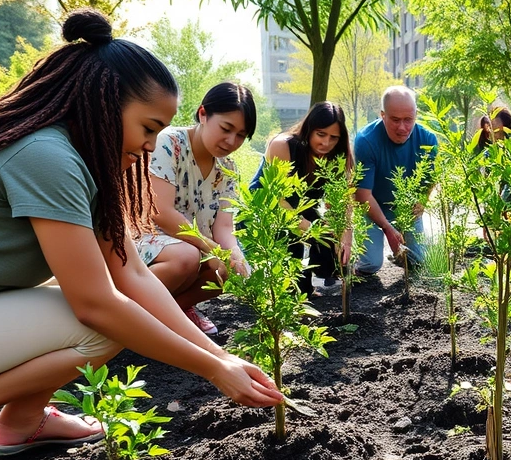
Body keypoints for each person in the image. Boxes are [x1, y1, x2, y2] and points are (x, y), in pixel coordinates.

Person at [0, 9, 282, 460]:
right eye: (147, 127)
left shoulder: (85, 161)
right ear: (101, 104)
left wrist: (220, 357)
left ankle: (23, 422)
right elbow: (97, 302)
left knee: (116, 315)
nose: (150, 145)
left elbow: (134, 277)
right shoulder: (46, 156)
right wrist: (211, 370)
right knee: (97, 323)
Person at [134, 82, 256, 334]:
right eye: (226, 128)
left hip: (195, 245)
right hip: (146, 239)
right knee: (187, 257)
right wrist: (208, 247)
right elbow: (160, 211)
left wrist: (236, 258)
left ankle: (171, 315)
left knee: (227, 268)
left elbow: (223, 227)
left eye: (241, 135)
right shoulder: (169, 144)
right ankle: (127, 313)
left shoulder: (227, 168)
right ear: (203, 114)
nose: (231, 140)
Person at [252, 102, 353, 297]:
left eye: (334, 138)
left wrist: (344, 235)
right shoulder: (284, 146)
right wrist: (312, 228)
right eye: (321, 134)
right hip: (270, 206)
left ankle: (314, 283)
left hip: (303, 206)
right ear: (309, 130)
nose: (326, 143)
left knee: (330, 236)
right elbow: (278, 201)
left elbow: (341, 203)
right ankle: (289, 291)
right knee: (291, 240)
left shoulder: (339, 156)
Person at [353, 86, 438, 274]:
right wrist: (388, 228)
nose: (402, 128)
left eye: (408, 120)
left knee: (417, 262)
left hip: (406, 208)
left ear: (416, 114)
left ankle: (401, 256)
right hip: (372, 207)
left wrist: (422, 200)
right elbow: (362, 194)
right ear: (383, 115)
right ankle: (355, 258)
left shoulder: (428, 140)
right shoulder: (366, 141)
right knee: (371, 265)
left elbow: (430, 179)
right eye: (395, 120)